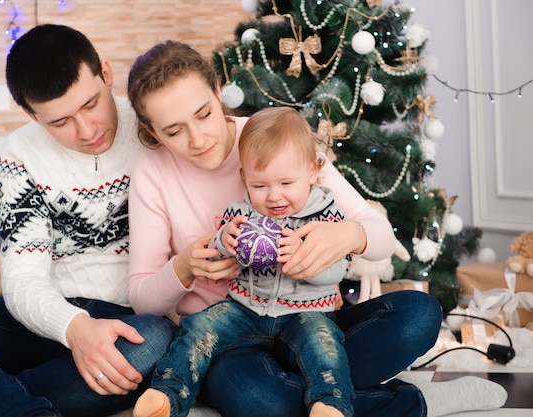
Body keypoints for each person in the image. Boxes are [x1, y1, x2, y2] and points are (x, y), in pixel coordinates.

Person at [125, 40, 508, 417]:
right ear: (151, 130)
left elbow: (381, 236)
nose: (198, 138)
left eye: (204, 113)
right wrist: (184, 266)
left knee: (420, 315)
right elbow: (142, 299)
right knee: (256, 397)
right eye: (173, 131)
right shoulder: (152, 171)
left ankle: (309, 385)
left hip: (309, 320)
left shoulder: (274, 138)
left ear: (217, 90)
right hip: (231, 339)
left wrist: (349, 235)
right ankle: (407, 402)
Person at [0, 24, 177, 417]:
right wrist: (75, 328)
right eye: (60, 122)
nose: (87, 130)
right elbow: (23, 279)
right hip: (47, 318)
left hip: (128, 319)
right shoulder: (20, 155)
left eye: (90, 104)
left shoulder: (151, 125)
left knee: (155, 340)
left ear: (106, 72)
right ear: (30, 114)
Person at [133, 107, 354, 417]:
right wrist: (223, 240)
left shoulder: (328, 214)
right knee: (200, 326)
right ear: (244, 179)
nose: (274, 196)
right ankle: (169, 394)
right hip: (244, 309)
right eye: (260, 186)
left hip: (308, 313)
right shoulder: (241, 215)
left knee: (325, 346)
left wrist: (307, 259)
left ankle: (330, 404)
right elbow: (217, 249)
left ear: (312, 172)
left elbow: (340, 268)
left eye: (286, 184)